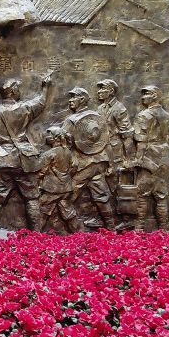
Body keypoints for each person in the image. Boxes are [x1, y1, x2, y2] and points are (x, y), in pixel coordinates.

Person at [0, 74, 54, 230]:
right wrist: (45, 87)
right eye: (17, 88)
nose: (19, 91)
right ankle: (36, 233)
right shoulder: (24, 108)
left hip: (4, 158)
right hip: (24, 159)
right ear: (13, 91)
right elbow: (42, 102)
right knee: (32, 197)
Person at [61, 86, 116, 230]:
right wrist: (110, 164)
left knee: (65, 198)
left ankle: (75, 230)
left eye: (74, 97)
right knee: (101, 197)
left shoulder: (71, 120)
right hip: (99, 164)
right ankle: (111, 229)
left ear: (82, 99)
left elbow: (61, 144)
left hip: (83, 166)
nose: (70, 100)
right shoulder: (97, 117)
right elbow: (106, 143)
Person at [133, 85, 169, 230]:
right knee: (161, 195)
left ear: (155, 95)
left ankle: (138, 229)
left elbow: (141, 141)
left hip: (149, 157)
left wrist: (138, 159)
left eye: (147, 94)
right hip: (165, 155)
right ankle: (164, 229)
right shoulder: (166, 114)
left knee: (142, 194)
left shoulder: (143, 115)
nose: (143, 97)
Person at [95, 78, 134, 230]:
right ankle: (106, 218)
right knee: (104, 185)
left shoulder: (119, 108)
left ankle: (125, 219)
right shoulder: (100, 109)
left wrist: (128, 159)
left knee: (116, 185)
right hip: (102, 152)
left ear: (110, 91)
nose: (99, 92)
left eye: (102, 89)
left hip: (115, 151)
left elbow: (127, 134)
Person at [38, 126, 79, 234]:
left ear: (55, 138)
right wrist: (66, 177)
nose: (47, 137)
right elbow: (74, 166)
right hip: (66, 188)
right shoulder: (68, 152)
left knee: (42, 210)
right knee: (68, 212)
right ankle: (79, 234)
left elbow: (41, 172)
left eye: (49, 135)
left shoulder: (49, 154)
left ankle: (34, 235)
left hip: (52, 189)